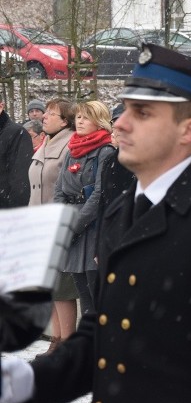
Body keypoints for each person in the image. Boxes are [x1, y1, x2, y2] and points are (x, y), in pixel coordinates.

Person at [1, 44, 191, 403]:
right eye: (126, 109)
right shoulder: (126, 209)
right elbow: (106, 334)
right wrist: (21, 383)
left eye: (142, 113)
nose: (120, 123)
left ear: (188, 129)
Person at [53, 100, 115, 316]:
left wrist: (75, 226)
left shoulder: (105, 151)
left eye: (86, 117)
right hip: (72, 223)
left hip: (91, 227)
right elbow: (59, 188)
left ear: (99, 122)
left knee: (95, 291)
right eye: (78, 116)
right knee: (82, 291)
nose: (79, 121)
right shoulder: (73, 148)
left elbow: (99, 194)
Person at [27, 98, 78, 356]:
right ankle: (56, 340)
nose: (44, 117)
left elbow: (68, 187)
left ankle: (66, 345)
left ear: (65, 121)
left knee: (63, 286)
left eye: (51, 113)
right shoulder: (47, 142)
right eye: (45, 112)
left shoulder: (69, 143)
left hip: (58, 223)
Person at [0, 99, 31, 209]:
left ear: (1, 106)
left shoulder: (16, 133)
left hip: (6, 208)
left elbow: (20, 177)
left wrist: (15, 213)